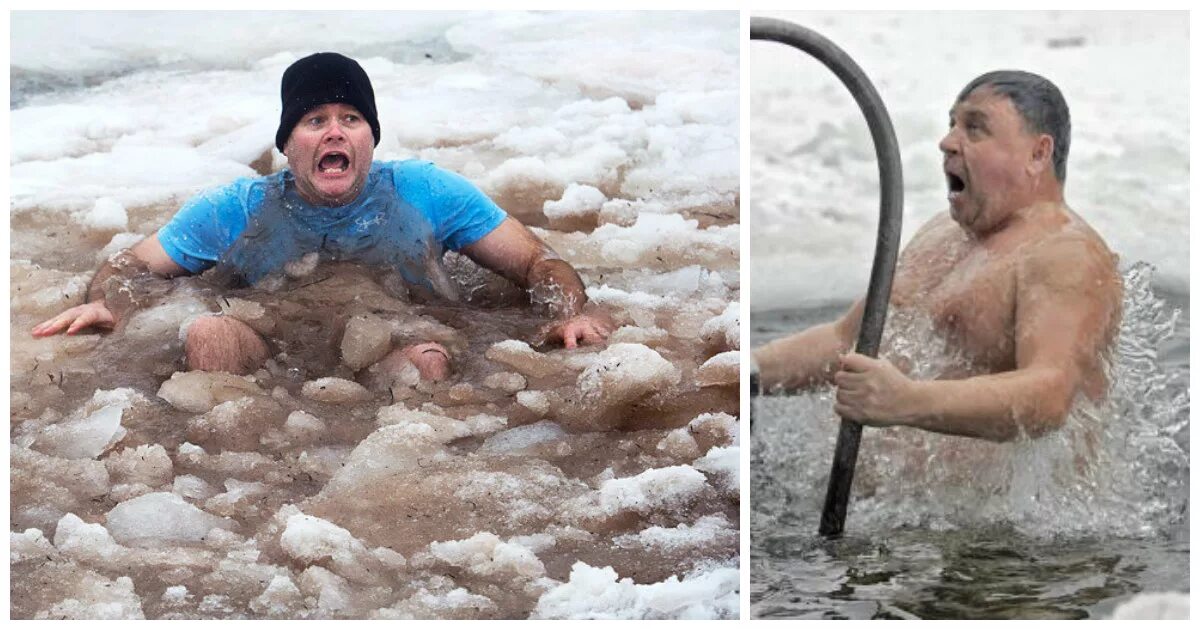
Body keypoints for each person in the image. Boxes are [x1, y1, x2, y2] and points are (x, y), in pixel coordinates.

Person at [31, 52, 612, 381]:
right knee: (210, 334)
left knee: (428, 360)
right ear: (288, 144)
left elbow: (538, 259)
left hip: (395, 334)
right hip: (273, 338)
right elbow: (132, 263)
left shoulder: (427, 191)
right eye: (315, 121)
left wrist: (569, 312)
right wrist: (111, 299)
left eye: (350, 118)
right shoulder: (239, 206)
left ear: (370, 138)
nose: (335, 130)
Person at [755, 70, 1122, 442]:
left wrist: (907, 402)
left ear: (1038, 153)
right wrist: (745, 372)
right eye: (952, 124)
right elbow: (843, 342)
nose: (947, 142)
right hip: (871, 499)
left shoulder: (1066, 254)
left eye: (975, 128)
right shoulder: (941, 235)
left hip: (989, 501)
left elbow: (1049, 395)